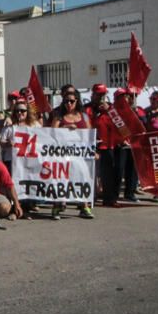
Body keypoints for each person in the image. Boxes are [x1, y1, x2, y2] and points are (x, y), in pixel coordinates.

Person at [49, 89, 94, 219]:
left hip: (79, 154)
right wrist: (64, 129)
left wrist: (93, 151)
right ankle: (57, 207)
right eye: (66, 101)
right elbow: (51, 134)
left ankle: (84, 206)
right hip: (62, 154)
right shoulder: (59, 116)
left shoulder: (83, 116)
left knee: (82, 178)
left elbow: (89, 135)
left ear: (77, 102)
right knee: (61, 179)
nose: (69, 104)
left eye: (72, 101)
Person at [0, 101, 40, 218]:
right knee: (12, 185)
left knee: (27, 184)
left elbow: (44, 137)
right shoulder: (10, 128)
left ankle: (25, 208)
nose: (20, 113)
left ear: (27, 112)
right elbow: (1, 142)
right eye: (17, 110)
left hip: (28, 161)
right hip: (11, 161)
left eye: (22, 111)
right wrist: (8, 143)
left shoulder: (34, 126)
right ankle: (13, 209)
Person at [87, 84, 120, 209]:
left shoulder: (111, 109)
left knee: (109, 174)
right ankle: (90, 197)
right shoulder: (88, 109)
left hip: (108, 145)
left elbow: (120, 125)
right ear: (93, 94)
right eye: (98, 94)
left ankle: (109, 198)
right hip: (91, 145)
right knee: (91, 173)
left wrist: (109, 110)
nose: (101, 97)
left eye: (103, 95)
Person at [113, 88, 141, 202]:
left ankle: (130, 192)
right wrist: (120, 139)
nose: (125, 98)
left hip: (133, 145)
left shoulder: (134, 110)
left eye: (126, 96)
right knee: (119, 170)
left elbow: (141, 126)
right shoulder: (113, 111)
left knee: (132, 169)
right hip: (119, 145)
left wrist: (136, 113)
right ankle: (114, 193)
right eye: (121, 97)